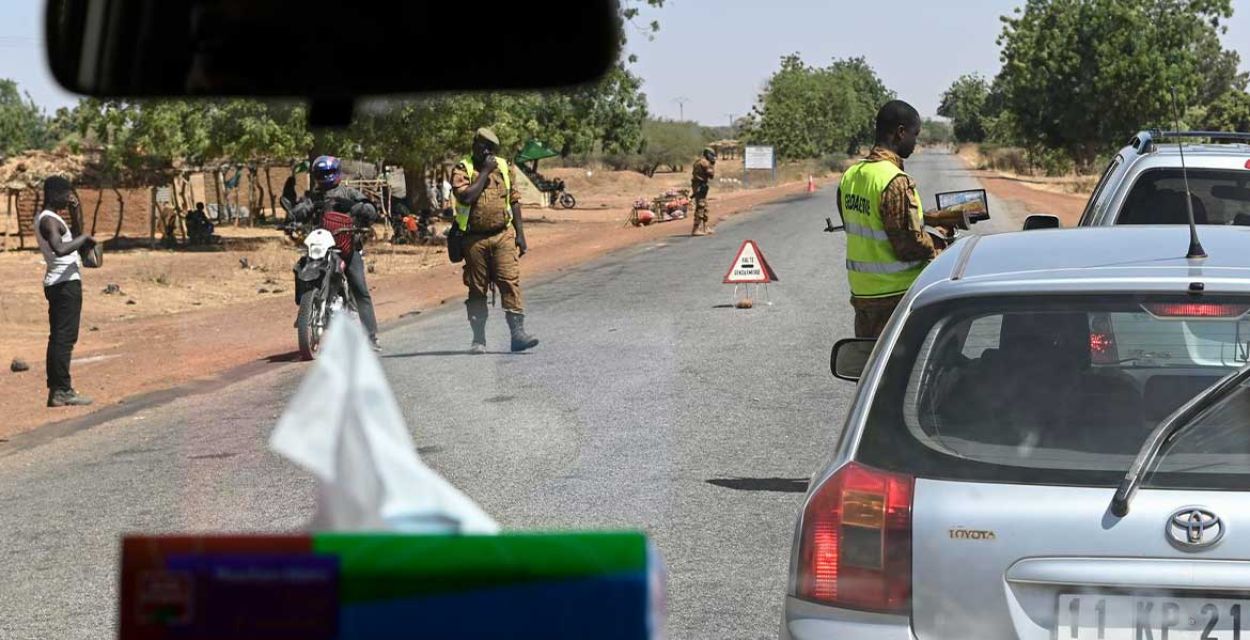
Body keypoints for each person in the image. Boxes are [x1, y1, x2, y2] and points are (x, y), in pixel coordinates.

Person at [837, 99, 962, 338]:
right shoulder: (895, 181)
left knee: (870, 366)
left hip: (863, 296)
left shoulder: (851, 176)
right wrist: (944, 247)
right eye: (914, 135)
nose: (915, 143)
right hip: (896, 296)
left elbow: (871, 223)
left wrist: (928, 219)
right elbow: (908, 246)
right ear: (900, 132)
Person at [450, 127, 539, 354]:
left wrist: (520, 234)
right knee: (477, 289)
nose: (487, 152)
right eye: (483, 147)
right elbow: (467, 197)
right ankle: (478, 339)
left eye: (491, 148)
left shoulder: (504, 166)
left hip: (503, 234)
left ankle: (517, 334)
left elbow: (515, 200)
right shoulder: (462, 168)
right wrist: (485, 172)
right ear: (475, 145)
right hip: (473, 238)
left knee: (509, 281)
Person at [289, 155, 383, 351]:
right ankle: (305, 309)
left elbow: (371, 211)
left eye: (330, 173)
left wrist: (355, 207)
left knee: (360, 289)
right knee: (300, 268)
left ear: (337, 173)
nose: (326, 177)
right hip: (321, 247)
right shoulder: (314, 197)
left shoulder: (349, 192)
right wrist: (301, 210)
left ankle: (371, 337)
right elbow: (298, 211)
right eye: (322, 174)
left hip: (347, 246)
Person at [36, 176, 95, 407]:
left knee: (61, 338)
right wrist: (83, 239)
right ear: (54, 194)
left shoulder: (51, 218)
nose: (68, 198)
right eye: (66, 195)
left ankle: (58, 389)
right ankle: (61, 390)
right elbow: (60, 249)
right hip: (64, 285)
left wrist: (75, 209)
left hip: (61, 283)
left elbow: (76, 231)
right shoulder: (49, 221)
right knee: (63, 339)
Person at [690, 147, 717, 236]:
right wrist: (712, 165)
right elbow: (711, 175)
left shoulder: (698, 161)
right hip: (700, 185)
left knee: (704, 206)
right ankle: (695, 229)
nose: (713, 157)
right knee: (700, 206)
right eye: (712, 155)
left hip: (699, 185)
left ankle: (705, 228)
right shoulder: (705, 163)